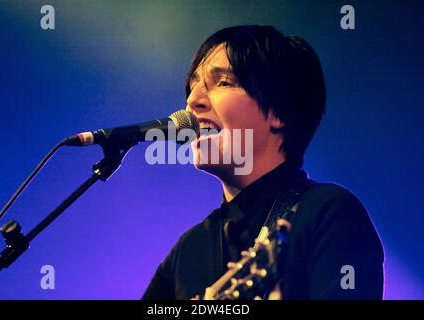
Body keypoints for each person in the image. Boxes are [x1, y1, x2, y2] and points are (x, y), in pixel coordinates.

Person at [142, 25, 384, 300]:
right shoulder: (188, 251)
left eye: (223, 82)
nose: (192, 101)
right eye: (193, 86)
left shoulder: (329, 214)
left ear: (279, 111)